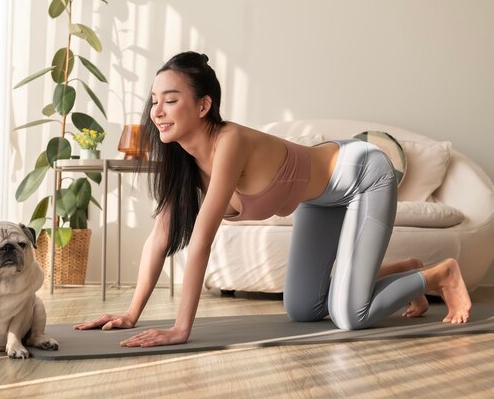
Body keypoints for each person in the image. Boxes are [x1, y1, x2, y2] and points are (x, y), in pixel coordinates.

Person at [76, 51, 471, 347]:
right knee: (304, 309)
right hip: (320, 199)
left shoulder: (229, 142)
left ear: (203, 105)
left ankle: (440, 275)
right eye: (154, 100)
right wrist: (131, 314)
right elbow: (159, 237)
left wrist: (181, 329)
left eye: (171, 99)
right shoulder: (184, 163)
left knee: (351, 314)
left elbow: (200, 242)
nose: (157, 111)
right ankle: (405, 271)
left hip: (361, 173)